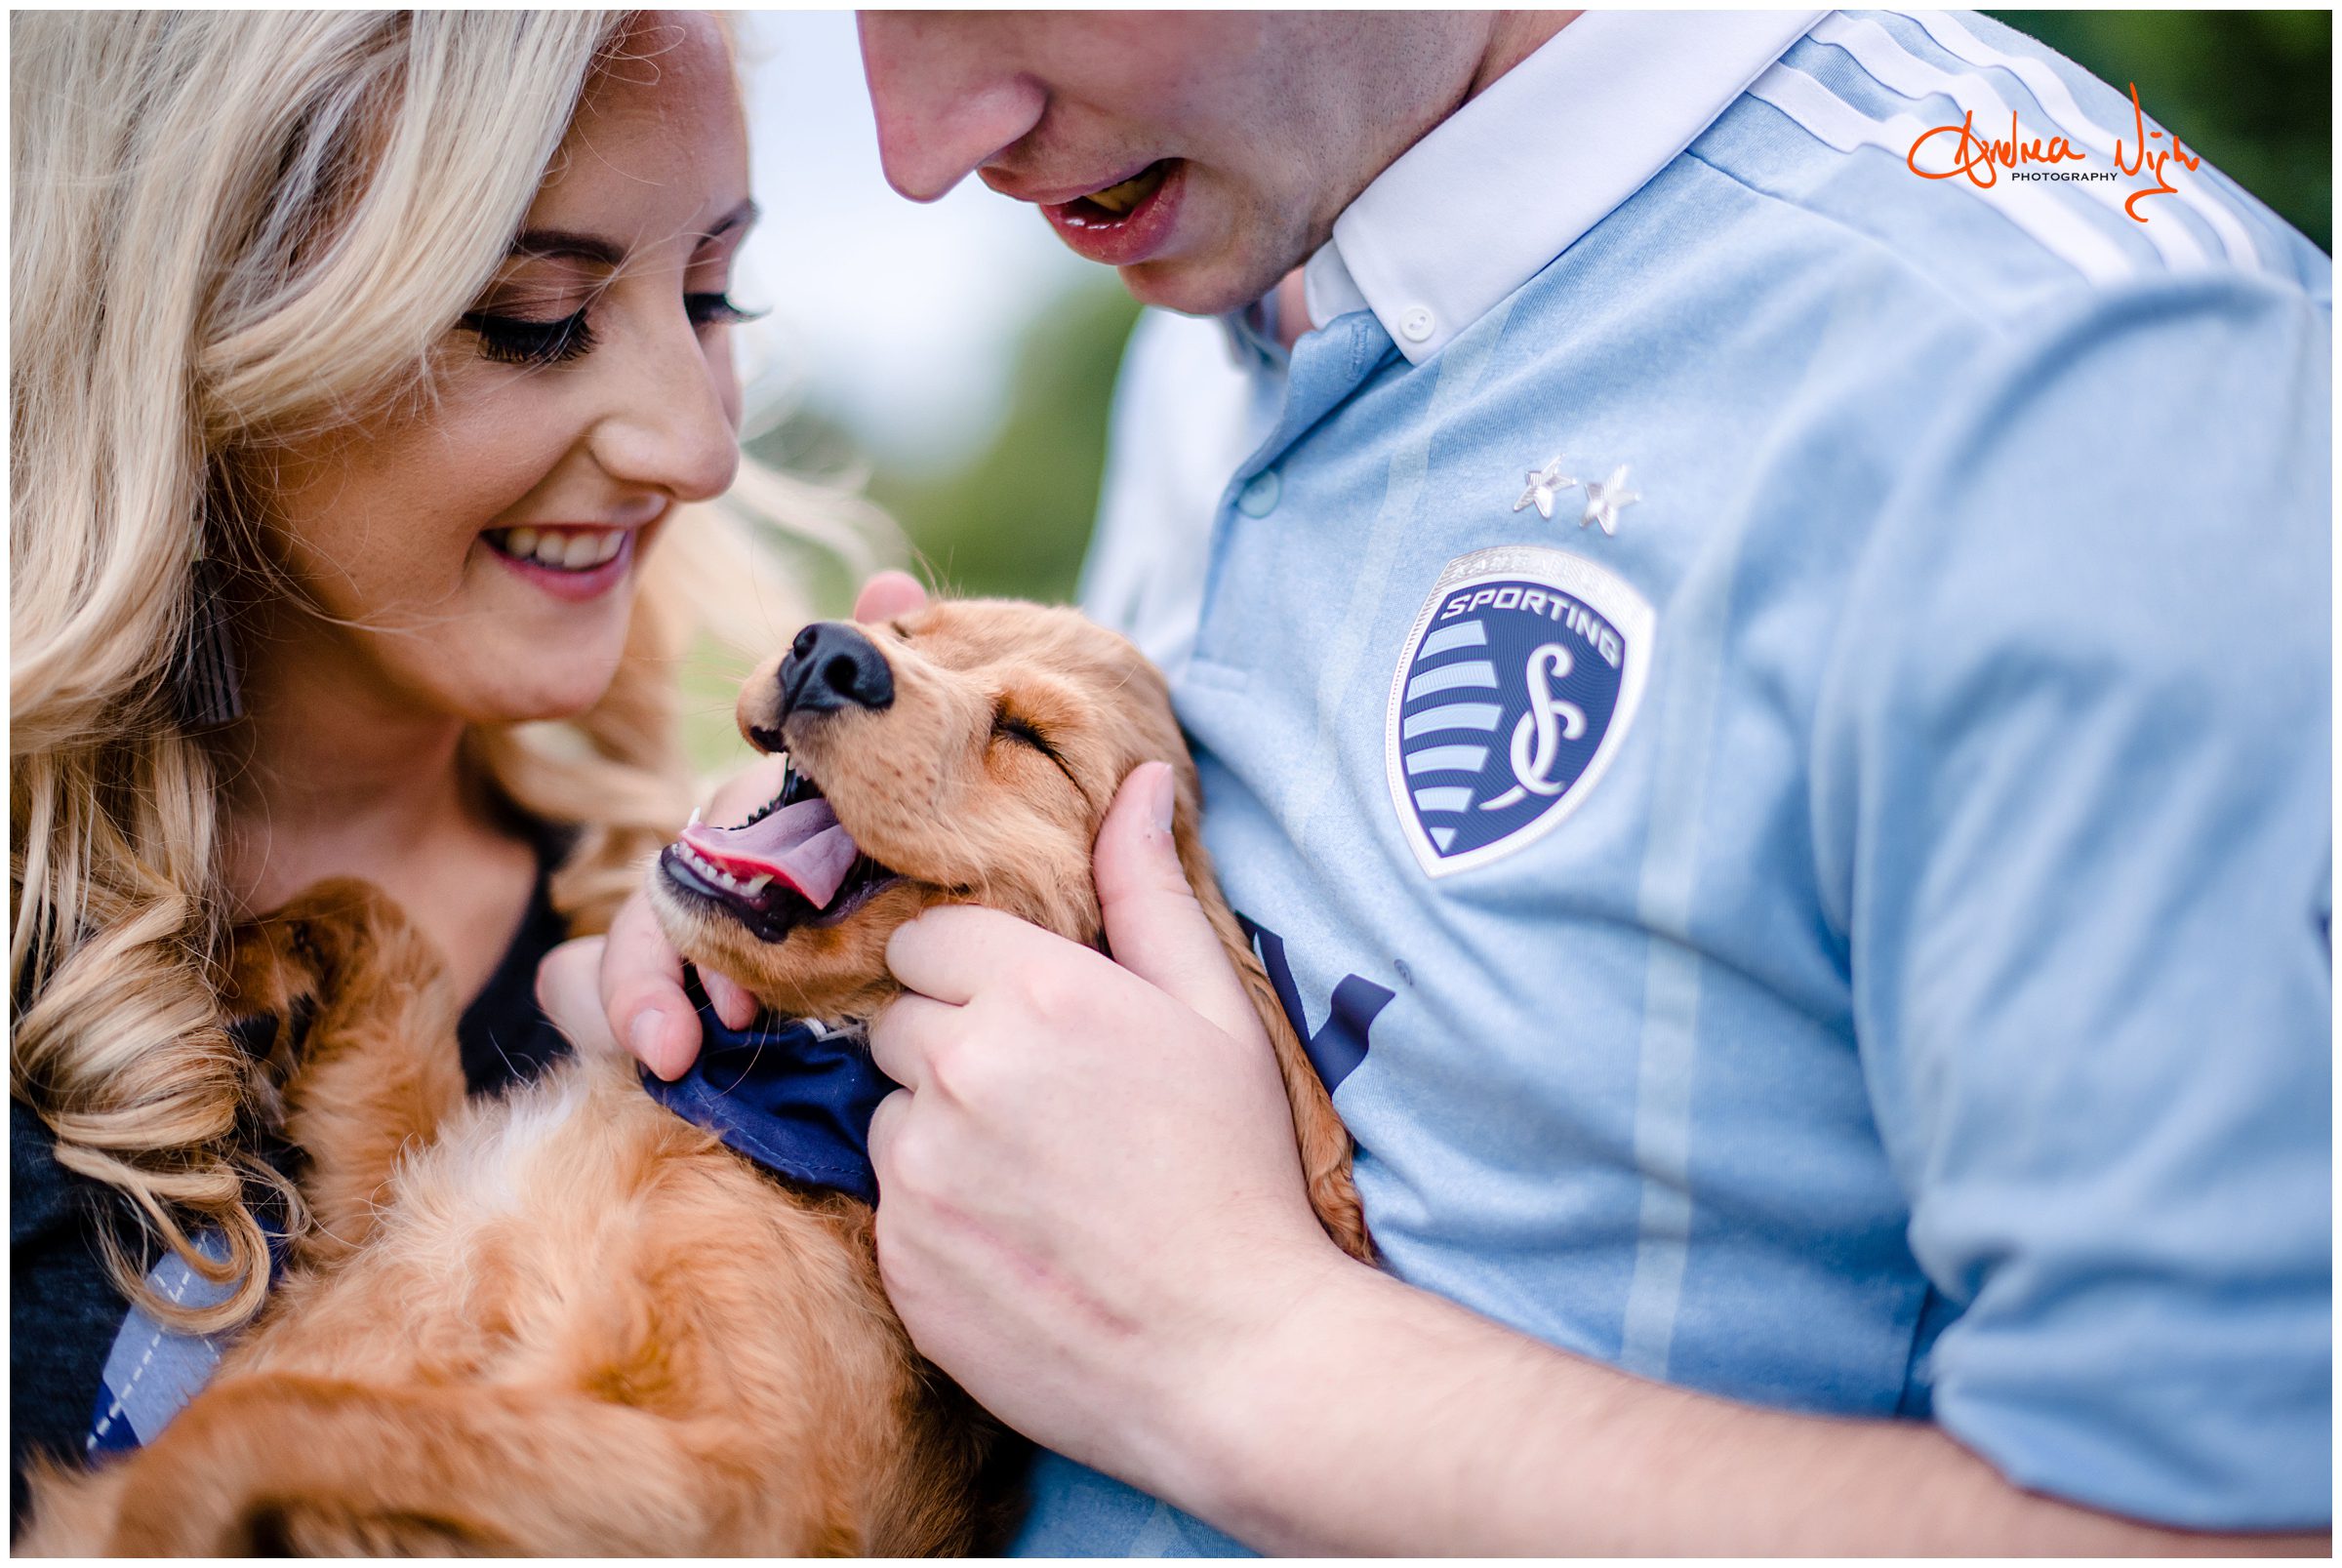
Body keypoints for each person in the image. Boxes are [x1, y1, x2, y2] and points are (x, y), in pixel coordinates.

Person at [574, 9, 2331, 1555]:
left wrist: (1238, 1357)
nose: (919, 148)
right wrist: (827, 912)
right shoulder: (1248, 275)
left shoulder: (2073, 395)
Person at [8, 9, 871, 1524]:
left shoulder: (702, 991)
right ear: (187, 314)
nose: (696, 447)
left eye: (716, 293)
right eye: (537, 316)